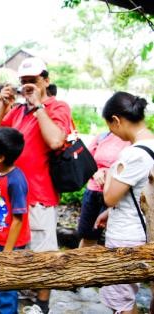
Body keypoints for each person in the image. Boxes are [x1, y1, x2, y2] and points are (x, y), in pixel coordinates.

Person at [0, 57, 72, 314]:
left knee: (44, 259)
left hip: (40, 197)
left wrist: (39, 108)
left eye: (32, 81)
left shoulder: (58, 107)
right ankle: (16, 297)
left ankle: (41, 304)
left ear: (46, 80)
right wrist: (3, 105)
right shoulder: (18, 110)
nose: (28, 86)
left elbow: (56, 141)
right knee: (14, 254)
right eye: (23, 82)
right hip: (10, 197)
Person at [94, 92, 154, 314]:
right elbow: (143, 193)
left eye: (111, 127)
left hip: (126, 238)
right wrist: (110, 213)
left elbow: (110, 196)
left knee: (121, 302)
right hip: (146, 232)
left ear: (116, 120)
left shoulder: (132, 154)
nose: (112, 133)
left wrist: (106, 172)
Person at [0, 127, 29, 314]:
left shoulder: (16, 181)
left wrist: (8, 252)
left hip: (12, 244)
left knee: (7, 283)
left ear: (1, 156)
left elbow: (18, 219)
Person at [77, 131, 129, 248]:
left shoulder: (131, 141)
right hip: (94, 192)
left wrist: (108, 173)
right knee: (88, 236)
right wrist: (95, 172)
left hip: (117, 195)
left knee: (116, 239)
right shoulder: (102, 136)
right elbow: (87, 161)